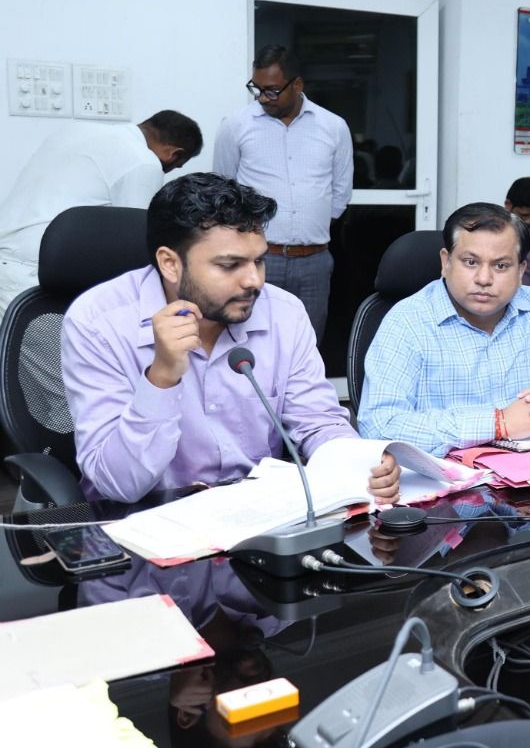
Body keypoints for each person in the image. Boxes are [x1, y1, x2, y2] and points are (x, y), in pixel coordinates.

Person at [61, 173, 398, 503]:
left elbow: (316, 422)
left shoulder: (283, 312)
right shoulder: (98, 323)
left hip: (257, 512)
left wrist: (358, 462)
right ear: (170, 264)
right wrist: (161, 378)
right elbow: (119, 485)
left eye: (259, 261)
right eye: (229, 265)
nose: (254, 281)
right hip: (144, 520)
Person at [358, 202, 530, 455]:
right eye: (470, 262)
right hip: (449, 480)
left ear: (521, 271)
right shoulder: (407, 320)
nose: (484, 279)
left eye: (501, 266)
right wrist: (499, 423)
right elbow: (380, 425)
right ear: (446, 262)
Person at [213, 44, 354, 341]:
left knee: (308, 343)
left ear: (297, 84)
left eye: (273, 90)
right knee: (252, 340)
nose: (263, 97)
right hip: (257, 258)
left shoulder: (333, 127)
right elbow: (224, 189)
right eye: (257, 88)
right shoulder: (236, 126)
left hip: (315, 261)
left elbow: (340, 191)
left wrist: (306, 223)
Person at [0, 110, 203, 315]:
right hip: (33, 271)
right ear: (173, 154)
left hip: (8, 252)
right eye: (177, 166)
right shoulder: (143, 162)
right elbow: (139, 246)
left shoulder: (76, 130)